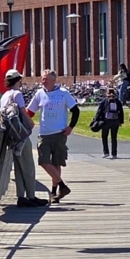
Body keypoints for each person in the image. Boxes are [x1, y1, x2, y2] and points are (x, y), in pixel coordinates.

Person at [26, 69, 81, 204]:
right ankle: (63, 186)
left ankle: (54, 192)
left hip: (59, 133)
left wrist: (70, 127)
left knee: (57, 163)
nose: (43, 81)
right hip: (44, 133)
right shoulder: (40, 93)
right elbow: (30, 111)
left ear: (53, 80)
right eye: (42, 78)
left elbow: (75, 110)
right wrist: (22, 120)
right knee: (44, 161)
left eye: (45, 79)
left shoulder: (63, 93)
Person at [1, 70, 48, 208]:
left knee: (18, 167)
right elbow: (22, 111)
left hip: (11, 136)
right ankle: (31, 196)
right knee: (28, 166)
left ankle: (21, 196)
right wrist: (31, 123)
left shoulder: (4, 96)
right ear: (18, 80)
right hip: (21, 135)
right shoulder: (17, 94)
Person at [95, 87, 124, 159]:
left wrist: (96, 119)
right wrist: (121, 121)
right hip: (115, 121)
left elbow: (99, 111)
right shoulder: (117, 101)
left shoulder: (104, 100)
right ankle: (114, 154)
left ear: (107, 93)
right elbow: (121, 112)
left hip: (106, 121)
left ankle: (106, 152)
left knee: (104, 136)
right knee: (114, 137)